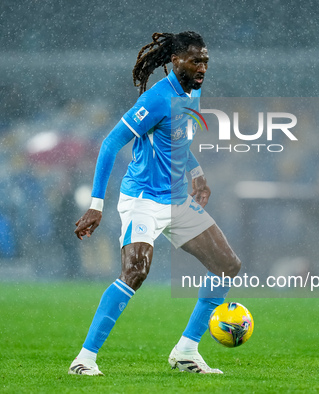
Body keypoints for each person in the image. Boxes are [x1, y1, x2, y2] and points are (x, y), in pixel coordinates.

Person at [69, 31, 241, 376]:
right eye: (195, 60)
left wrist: (197, 171)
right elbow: (109, 144)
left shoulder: (194, 92)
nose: (202, 66)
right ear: (175, 61)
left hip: (177, 200)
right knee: (135, 271)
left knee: (227, 266)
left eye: (205, 60)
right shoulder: (157, 98)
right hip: (143, 200)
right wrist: (96, 205)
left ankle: (186, 351)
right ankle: (84, 359)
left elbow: (178, 138)